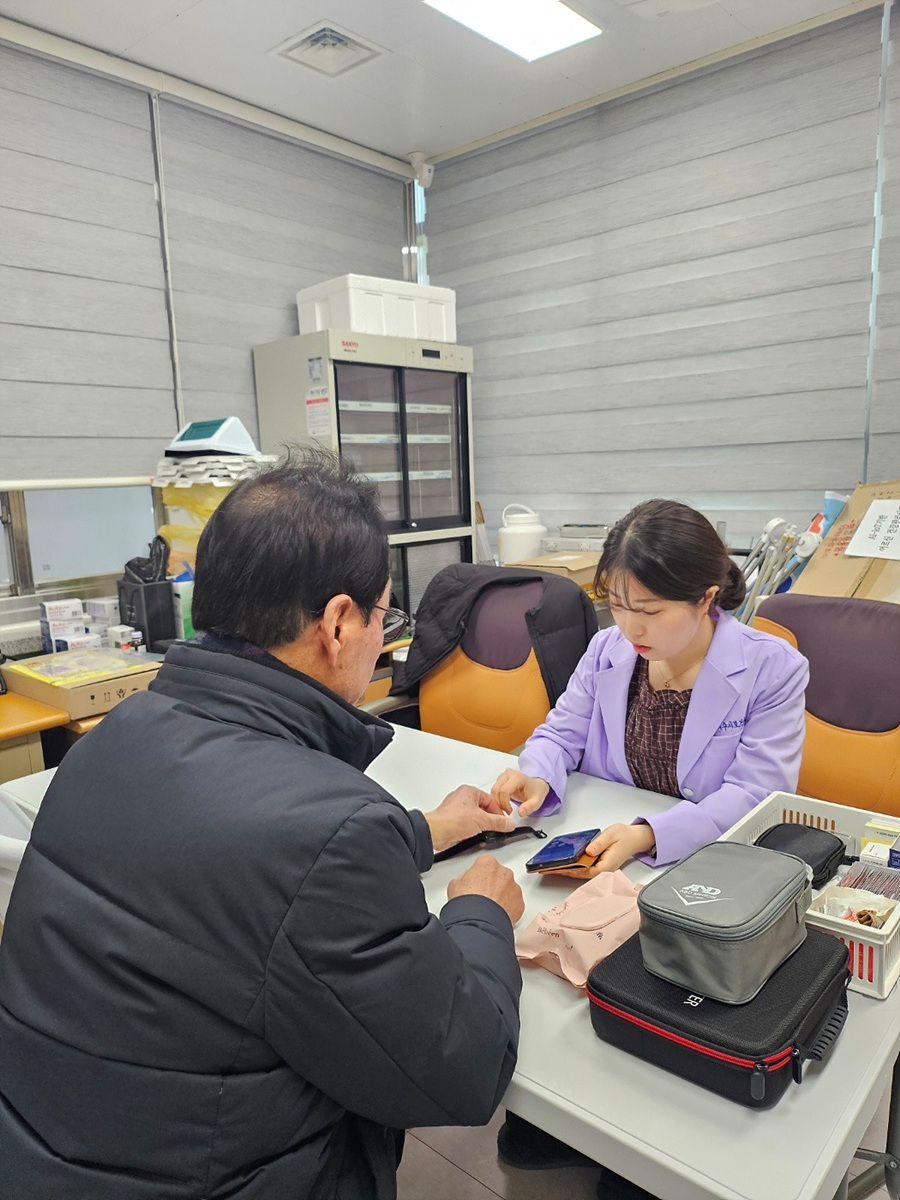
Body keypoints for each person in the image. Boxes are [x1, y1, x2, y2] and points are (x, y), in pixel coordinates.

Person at [0, 453, 524, 1200]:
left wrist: (424, 830)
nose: (384, 636)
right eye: (385, 615)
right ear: (339, 624)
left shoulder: (115, 737)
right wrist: (479, 914)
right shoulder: (326, 830)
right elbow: (463, 1073)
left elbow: (231, 878)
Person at [489, 499, 809, 1193]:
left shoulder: (770, 669)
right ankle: (562, 1125)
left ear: (706, 597)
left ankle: (639, 1154)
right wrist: (533, 775)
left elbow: (758, 793)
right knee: (557, 985)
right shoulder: (609, 650)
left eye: (652, 609)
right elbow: (559, 733)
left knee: (652, 1004)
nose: (630, 625)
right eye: (615, 603)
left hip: (700, 873)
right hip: (603, 865)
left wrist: (648, 835)